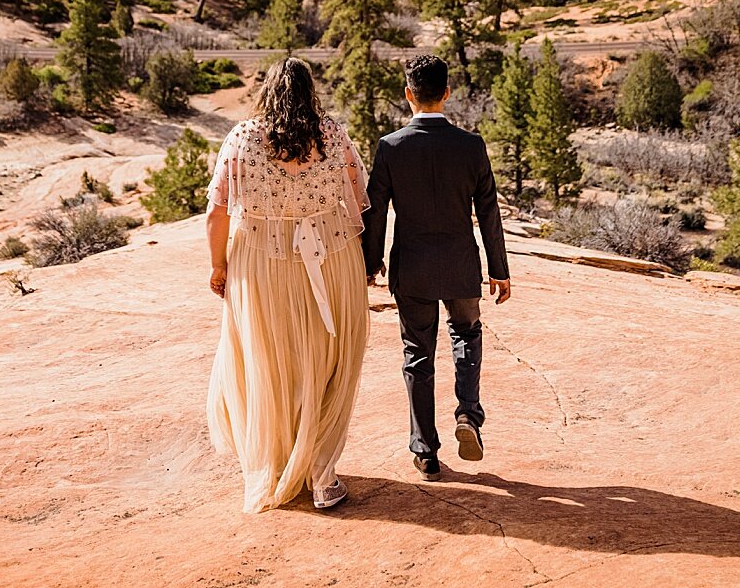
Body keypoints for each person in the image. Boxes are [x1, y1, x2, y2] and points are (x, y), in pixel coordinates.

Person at [205, 58, 371, 512]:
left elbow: (217, 212)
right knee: (328, 361)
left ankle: (277, 463)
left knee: (269, 360)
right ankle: (322, 474)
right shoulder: (333, 135)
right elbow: (359, 200)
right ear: (309, 92)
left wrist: (218, 267)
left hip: (262, 262)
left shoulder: (241, 138)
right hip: (331, 258)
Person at [361, 54, 511, 481]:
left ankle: (425, 451)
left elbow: (375, 212)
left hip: (412, 269)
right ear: (447, 93)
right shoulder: (471, 146)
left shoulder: (390, 147)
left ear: (408, 94)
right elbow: (488, 213)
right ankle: (468, 414)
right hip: (461, 265)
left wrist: (370, 264)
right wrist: (498, 269)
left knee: (417, 355)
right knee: (466, 335)